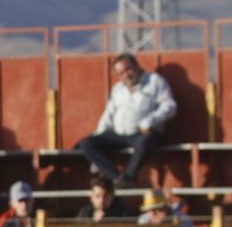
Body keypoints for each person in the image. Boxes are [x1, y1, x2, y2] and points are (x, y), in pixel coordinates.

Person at [74, 52, 177, 186]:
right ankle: (117, 178)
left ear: (137, 66)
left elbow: (170, 106)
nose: (126, 75)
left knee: (146, 141)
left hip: (144, 133)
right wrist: (99, 135)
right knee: (87, 143)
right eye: (121, 73)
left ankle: (130, 176)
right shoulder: (117, 89)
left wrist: (150, 121)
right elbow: (108, 114)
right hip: (119, 135)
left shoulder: (155, 81)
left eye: (128, 69)